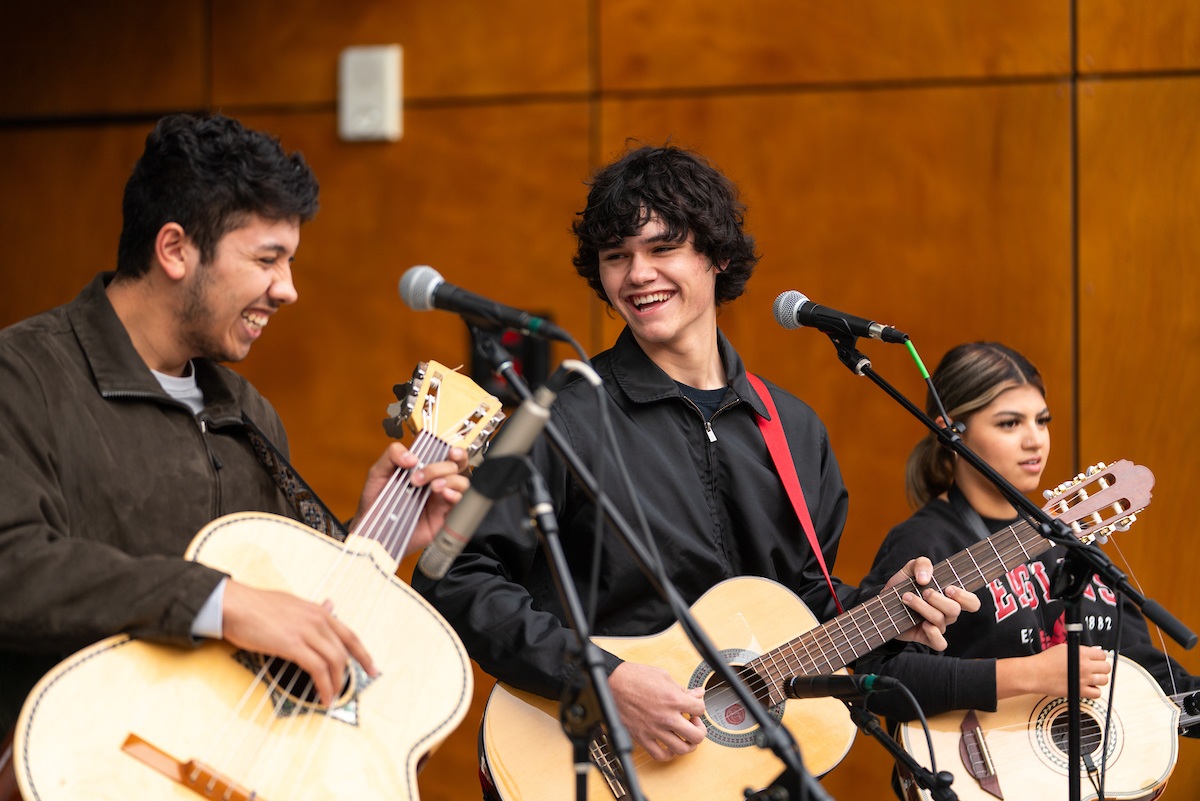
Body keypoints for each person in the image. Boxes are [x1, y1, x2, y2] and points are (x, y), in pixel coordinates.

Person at [412, 144, 979, 778]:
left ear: (718, 256)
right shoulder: (560, 419)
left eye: (663, 248)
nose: (637, 274)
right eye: (616, 256)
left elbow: (800, 601)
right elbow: (452, 577)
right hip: (590, 763)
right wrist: (603, 680)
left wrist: (883, 613)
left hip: (738, 771)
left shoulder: (793, 429)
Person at [0, 113, 468, 735]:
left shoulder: (250, 412)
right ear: (175, 250)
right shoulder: (22, 374)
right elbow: (13, 566)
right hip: (72, 754)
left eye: (290, 261)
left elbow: (278, 612)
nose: (288, 289)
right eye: (268, 259)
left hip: (221, 749)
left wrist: (370, 537)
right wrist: (219, 601)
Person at [857, 342, 1198, 754]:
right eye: (1009, 423)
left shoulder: (1070, 535)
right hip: (974, 774)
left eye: (1042, 420)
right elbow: (877, 677)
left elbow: (1137, 666)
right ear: (951, 433)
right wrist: (1027, 674)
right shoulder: (923, 543)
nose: (1035, 440)